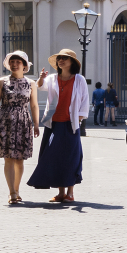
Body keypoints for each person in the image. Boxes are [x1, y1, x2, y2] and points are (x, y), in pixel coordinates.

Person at [30, 50, 90, 202]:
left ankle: (70, 193)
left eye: (64, 58)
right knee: (54, 156)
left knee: (71, 157)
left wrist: (79, 118)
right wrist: (41, 79)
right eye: (59, 59)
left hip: (71, 124)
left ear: (72, 62)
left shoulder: (79, 79)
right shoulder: (52, 78)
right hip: (53, 123)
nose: (61, 61)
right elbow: (40, 87)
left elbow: (84, 100)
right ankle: (61, 192)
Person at [0, 51, 42, 205]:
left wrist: (36, 125)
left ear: (24, 65)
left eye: (18, 62)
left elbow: (34, 105)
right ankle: (12, 192)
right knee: (8, 158)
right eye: (12, 61)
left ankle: (16, 190)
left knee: (19, 159)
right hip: (5, 121)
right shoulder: (1, 82)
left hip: (23, 122)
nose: (14, 64)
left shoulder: (31, 83)